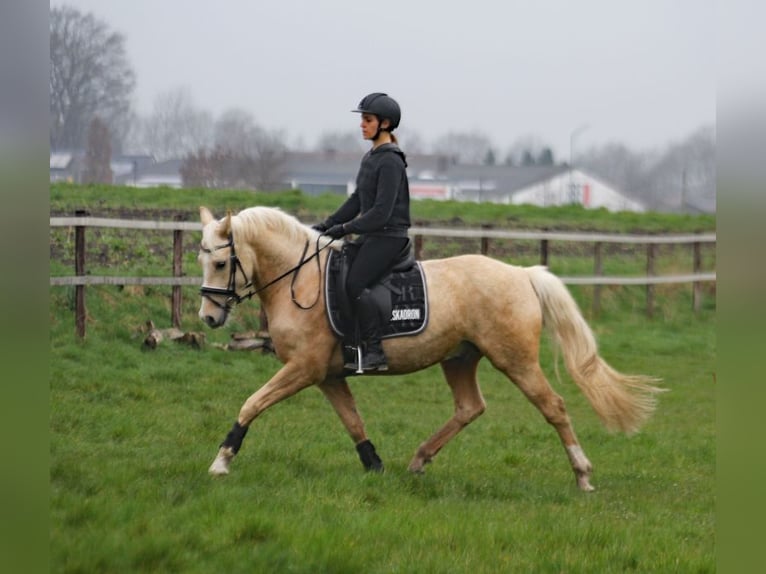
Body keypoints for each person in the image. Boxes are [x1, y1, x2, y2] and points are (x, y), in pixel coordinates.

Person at [314, 93, 411, 372]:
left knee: (355, 284)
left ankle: (375, 351)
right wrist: (325, 225)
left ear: (385, 124)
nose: (362, 125)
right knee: (337, 272)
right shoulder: (371, 157)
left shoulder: (391, 161)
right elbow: (358, 200)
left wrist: (344, 229)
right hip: (373, 235)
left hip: (390, 237)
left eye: (367, 120)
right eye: (362, 120)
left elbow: (381, 212)